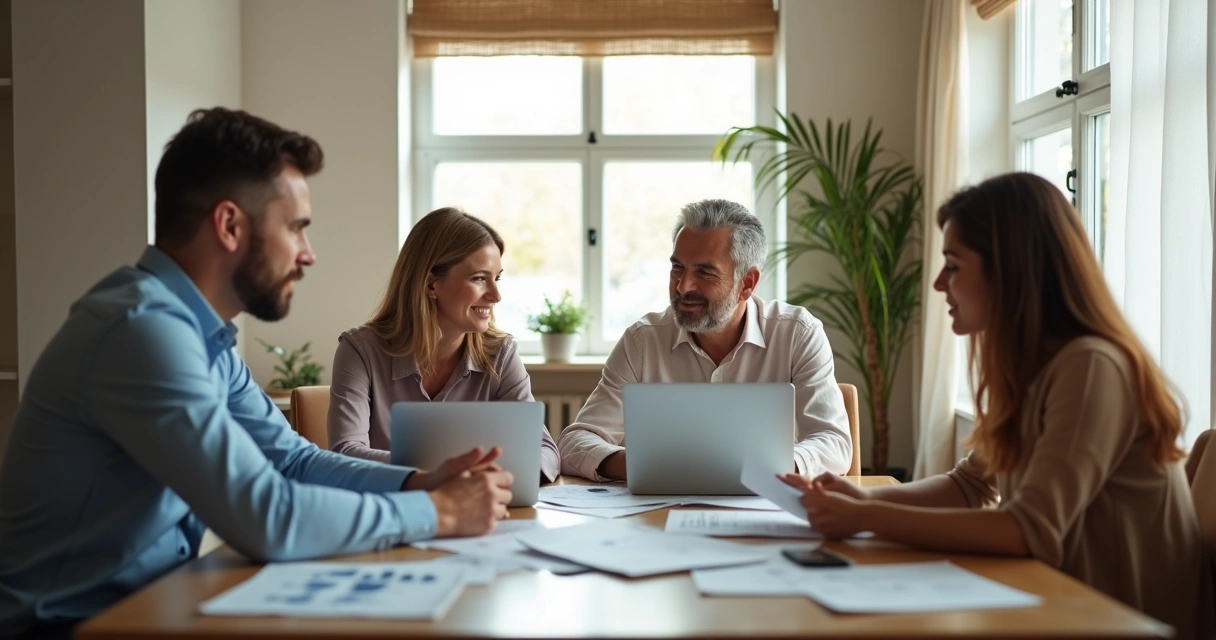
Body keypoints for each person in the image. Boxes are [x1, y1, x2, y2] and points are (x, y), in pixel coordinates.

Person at [0, 108, 513, 638]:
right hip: (69, 626)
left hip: (154, 606)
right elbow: (268, 516)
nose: (308, 255)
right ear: (229, 226)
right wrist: (438, 511)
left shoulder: (205, 340)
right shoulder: (141, 332)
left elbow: (292, 461)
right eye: (296, 228)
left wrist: (420, 480)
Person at [781, 172, 1213, 639]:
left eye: (953, 264)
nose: (939, 283)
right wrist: (862, 497)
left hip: (1116, 618)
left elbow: (1029, 530)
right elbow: (969, 487)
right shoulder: (1029, 368)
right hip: (1063, 603)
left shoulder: (1091, 367)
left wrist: (867, 516)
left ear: (1009, 270)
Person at [557, 199, 852, 481]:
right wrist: (637, 464)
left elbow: (834, 442)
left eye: (705, 272)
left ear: (746, 283)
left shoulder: (797, 334)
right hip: (660, 516)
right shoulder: (642, 340)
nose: (683, 287)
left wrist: (768, 469)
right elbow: (574, 442)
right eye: (677, 268)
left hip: (764, 507)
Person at [327, 207, 560, 481]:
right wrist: (441, 474)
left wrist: (484, 475)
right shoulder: (360, 351)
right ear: (430, 285)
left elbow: (545, 450)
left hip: (483, 515)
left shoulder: (501, 354)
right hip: (392, 515)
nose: (496, 295)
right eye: (479, 278)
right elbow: (345, 453)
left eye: (496, 278)